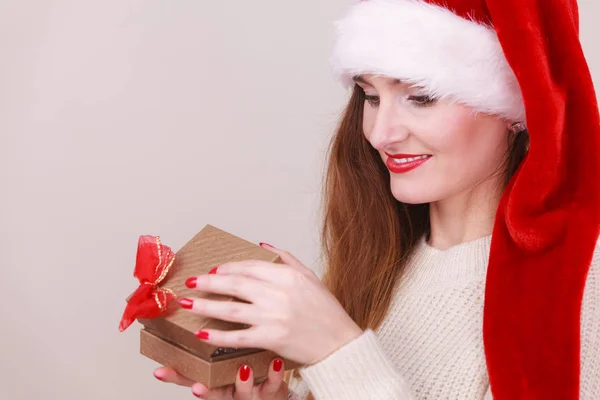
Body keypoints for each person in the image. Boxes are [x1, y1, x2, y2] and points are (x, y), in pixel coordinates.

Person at [152, 0, 600, 398]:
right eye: (369, 96)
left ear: (515, 107)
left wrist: (338, 353)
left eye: (421, 97)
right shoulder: (379, 259)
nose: (380, 134)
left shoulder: (581, 288)